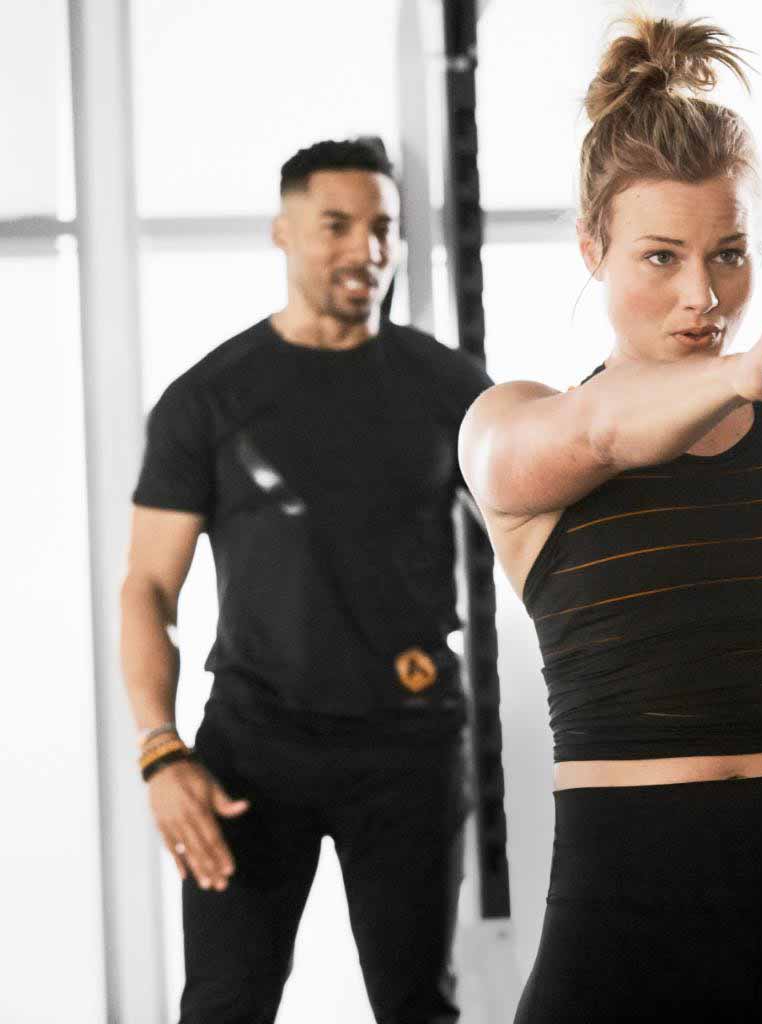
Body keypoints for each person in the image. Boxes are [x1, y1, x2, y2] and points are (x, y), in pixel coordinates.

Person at [458, 16, 762, 1022]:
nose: (703, 295)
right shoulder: (516, 424)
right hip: (624, 929)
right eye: (660, 258)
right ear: (593, 246)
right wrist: (751, 370)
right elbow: (602, 437)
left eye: (728, 253)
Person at [121, 138, 493, 1024]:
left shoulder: (448, 386)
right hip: (255, 749)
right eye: (337, 225)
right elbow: (148, 588)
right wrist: (159, 749)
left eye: (383, 228)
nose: (366, 248)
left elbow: (532, 534)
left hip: (409, 745)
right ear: (282, 234)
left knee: (417, 1005)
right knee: (224, 1004)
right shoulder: (207, 399)